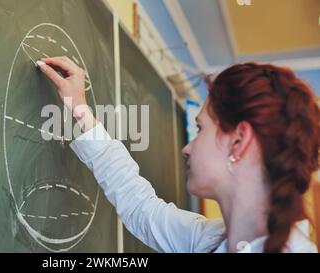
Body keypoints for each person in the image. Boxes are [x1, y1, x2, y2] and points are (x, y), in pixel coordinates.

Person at [35, 57, 320, 253]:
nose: (188, 147)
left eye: (201, 128)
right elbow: (140, 207)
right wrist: (80, 110)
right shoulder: (208, 240)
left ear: (238, 141)